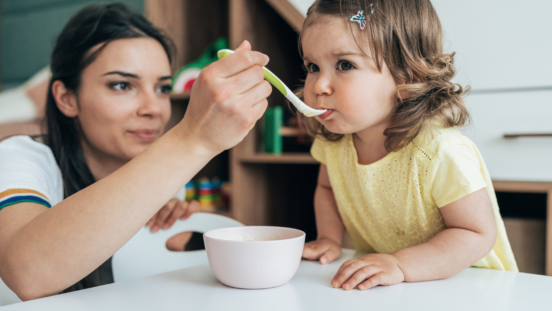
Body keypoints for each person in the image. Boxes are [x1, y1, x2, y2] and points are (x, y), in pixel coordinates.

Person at [0, 4, 271, 299]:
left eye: (163, 88)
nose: (153, 109)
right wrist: (192, 139)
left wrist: (169, 234)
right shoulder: (21, 157)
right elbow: (28, 274)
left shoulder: (160, 170)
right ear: (66, 98)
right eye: (121, 85)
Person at [299, 0, 518, 291]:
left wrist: (400, 264)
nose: (318, 86)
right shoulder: (337, 142)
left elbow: (475, 233)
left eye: (345, 65)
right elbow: (327, 189)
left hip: (471, 287)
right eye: (313, 66)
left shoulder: (440, 151)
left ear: (407, 74)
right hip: (398, 289)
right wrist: (329, 238)